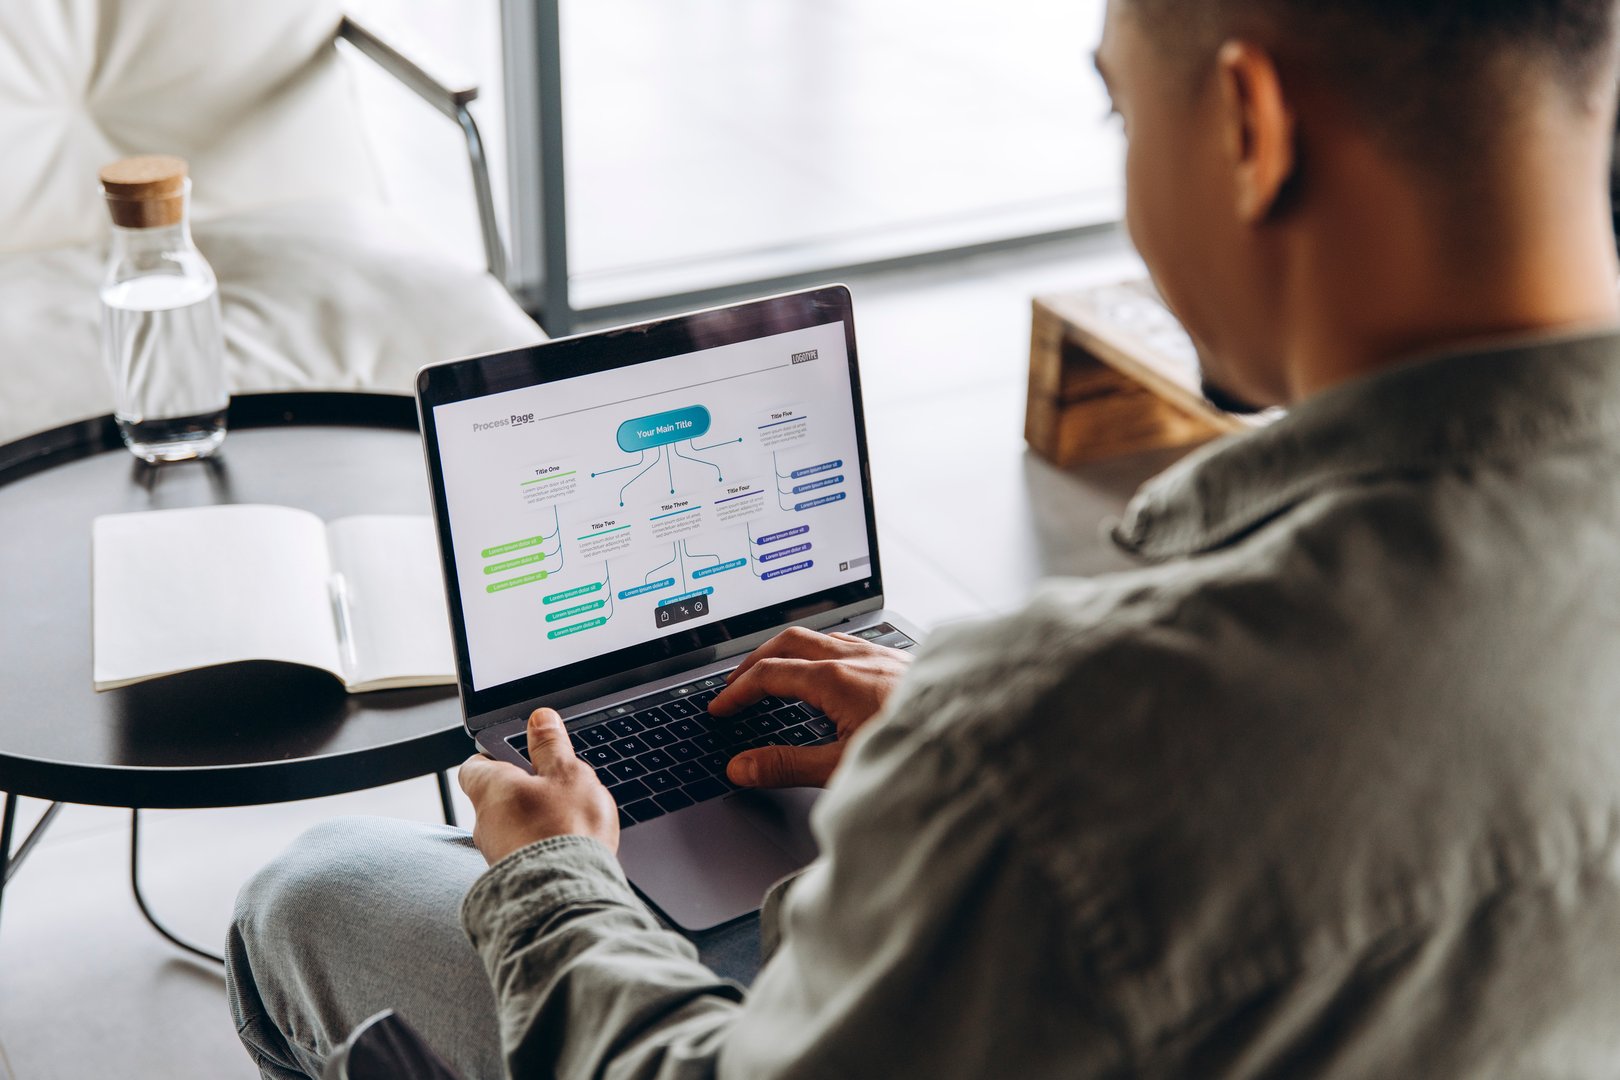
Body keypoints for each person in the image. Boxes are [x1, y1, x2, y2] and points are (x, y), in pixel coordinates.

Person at [227, 0, 1620, 1075]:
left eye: (1123, 115)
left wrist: (549, 880)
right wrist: (961, 729)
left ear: (1250, 126)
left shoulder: (1053, 751)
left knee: (312, 895)